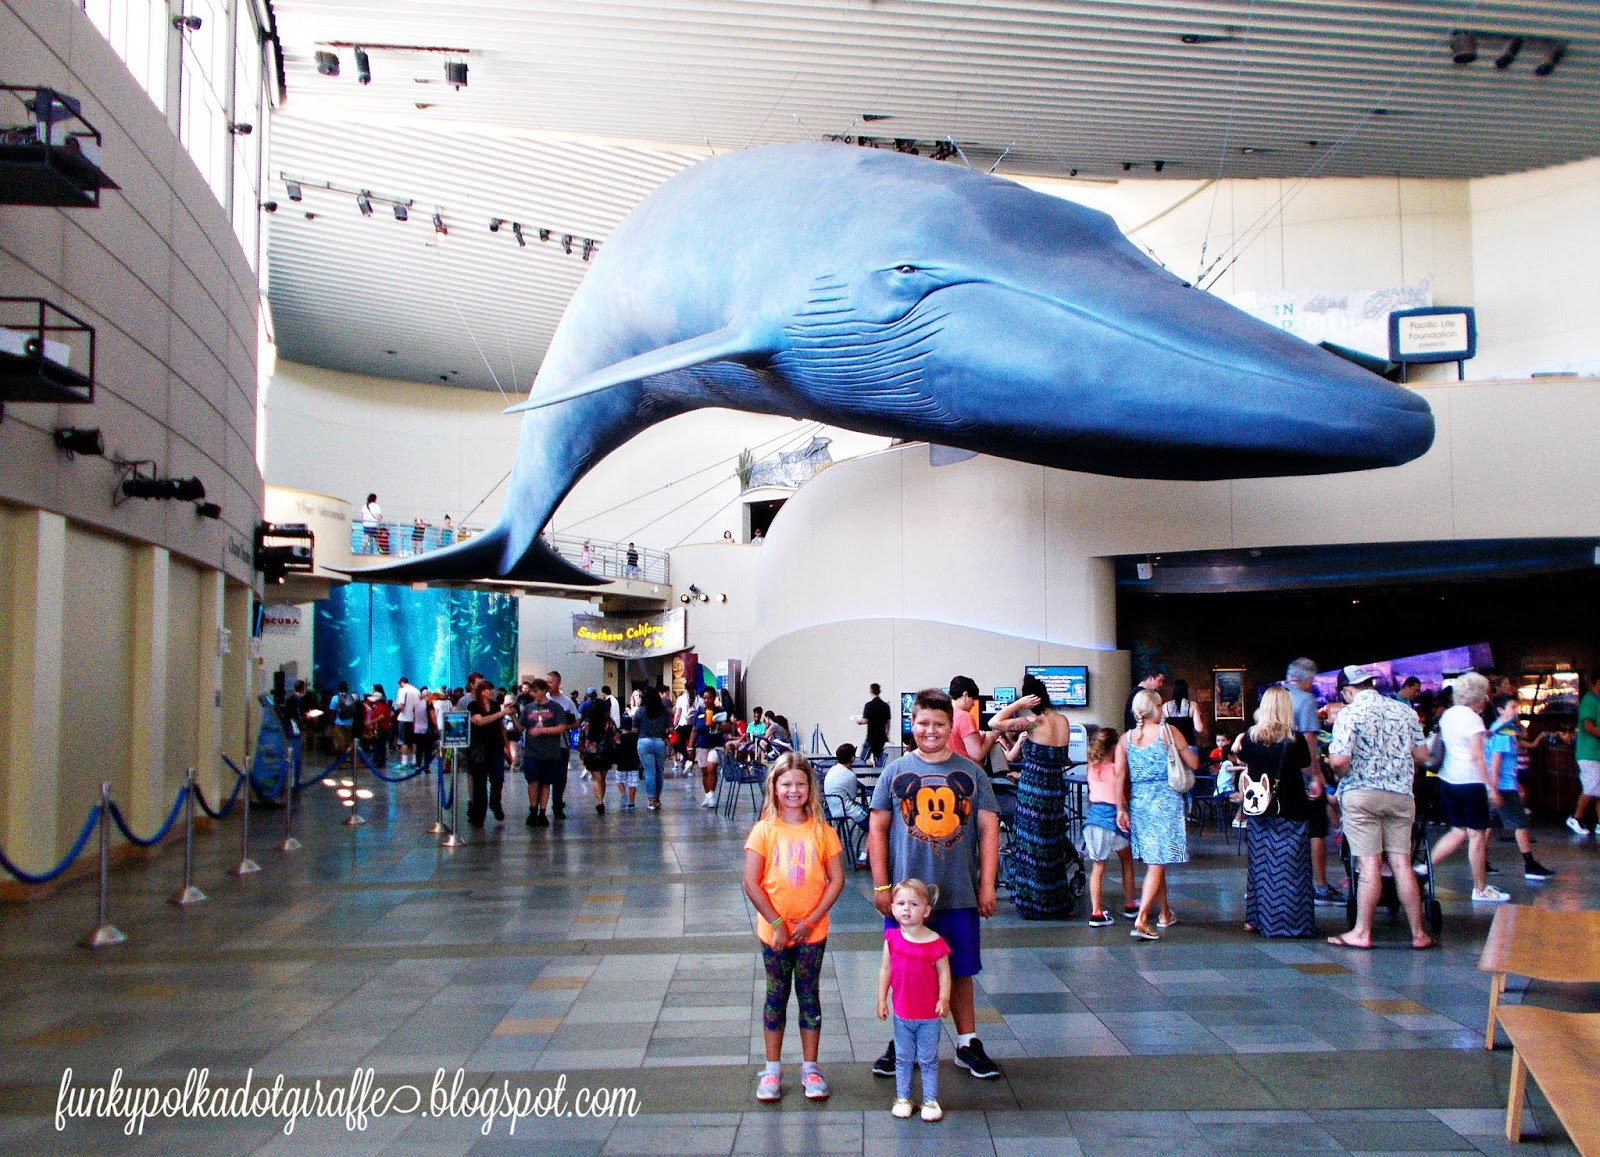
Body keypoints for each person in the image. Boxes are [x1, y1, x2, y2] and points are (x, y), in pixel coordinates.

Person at [869, 687, 1001, 1081]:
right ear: (913, 725)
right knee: (906, 969)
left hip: (958, 893)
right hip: (906, 901)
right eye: (923, 723)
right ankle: (902, 1041)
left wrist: (987, 885)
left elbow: (989, 827)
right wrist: (881, 887)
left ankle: (966, 1042)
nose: (931, 731)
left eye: (939, 724)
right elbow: (878, 826)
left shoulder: (972, 773)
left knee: (960, 970)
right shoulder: (895, 771)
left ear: (952, 725)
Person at [742, 753, 844, 1104]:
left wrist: (811, 919)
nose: (793, 790)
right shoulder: (763, 831)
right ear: (774, 787)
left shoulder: (822, 831)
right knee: (775, 995)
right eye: (786, 783)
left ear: (810, 789)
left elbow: (835, 880)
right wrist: (777, 923)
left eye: (800, 783)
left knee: (809, 995)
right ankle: (772, 1068)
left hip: (811, 932)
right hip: (774, 933)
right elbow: (752, 883)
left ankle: (810, 1066)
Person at [1325, 665, 1436, 950]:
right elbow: (1423, 755)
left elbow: (1339, 761)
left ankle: (1362, 932)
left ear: (1348, 691)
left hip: (1362, 796)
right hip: (1400, 796)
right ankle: (1418, 933)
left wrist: (1339, 771)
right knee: (1401, 863)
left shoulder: (1350, 713)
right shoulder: (1405, 711)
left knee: (1369, 864)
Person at [989, 674, 1076, 919]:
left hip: (1033, 794)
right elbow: (1059, 757)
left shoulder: (1033, 722)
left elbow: (995, 723)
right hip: (1055, 790)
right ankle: (1056, 901)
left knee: (1030, 847)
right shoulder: (1063, 720)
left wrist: (1016, 705)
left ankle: (1035, 903)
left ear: (1029, 697)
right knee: (1051, 847)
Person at [1234, 686, 1317, 938]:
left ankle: (1257, 918)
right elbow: (1306, 764)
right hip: (1292, 808)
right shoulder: (1296, 739)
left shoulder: (1250, 737)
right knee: (1293, 868)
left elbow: (1242, 759)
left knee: (1260, 865)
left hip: (1260, 809)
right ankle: (1293, 921)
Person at [1117, 689, 1199, 940]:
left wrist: (1121, 808)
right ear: (1156, 709)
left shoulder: (1126, 739)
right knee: (1157, 861)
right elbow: (1194, 764)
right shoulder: (1168, 733)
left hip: (1139, 802)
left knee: (1155, 858)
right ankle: (1142, 919)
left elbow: (1120, 777)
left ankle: (1164, 913)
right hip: (1166, 801)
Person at [1428, 672, 1509, 903]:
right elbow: (1477, 756)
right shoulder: (1474, 719)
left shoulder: (1448, 715)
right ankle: (1480, 888)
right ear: (1479, 697)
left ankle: (1424, 867)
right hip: (1470, 782)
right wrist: (1491, 787)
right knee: (1478, 836)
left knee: (1458, 830)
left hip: (1447, 779)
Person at [876, 878, 951, 1123]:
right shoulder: (892, 939)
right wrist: (881, 999)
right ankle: (903, 1098)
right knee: (903, 1058)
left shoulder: (935, 942)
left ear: (926, 911)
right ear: (893, 908)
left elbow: (944, 973)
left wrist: (944, 998)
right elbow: (885, 970)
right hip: (902, 1014)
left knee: (928, 1059)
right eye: (901, 903)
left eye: (914, 904)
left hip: (929, 1016)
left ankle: (930, 1100)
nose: (906, 909)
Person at [1283, 657, 1345, 905]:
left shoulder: (1274, 697)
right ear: (1308, 678)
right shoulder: (1305, 700)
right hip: (1301, 773)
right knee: (1316, 828)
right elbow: (1309, 738)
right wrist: (1315, 774)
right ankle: (1319, 885)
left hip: (1277, 773)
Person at [1486, 694, 1554, 881]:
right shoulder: (1502, 732)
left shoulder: (1500, 730)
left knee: (1487, 825)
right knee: (1520, 824)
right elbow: (1496, 759)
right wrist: (1495, 787)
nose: (1517, 711)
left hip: (1499, 784)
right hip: (1503, 786)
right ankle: (1529, 864)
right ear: (1501, 709)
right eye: (1513, 707)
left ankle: (1481, 861)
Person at [1079, 727, 1137, 926]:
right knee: (1127, 861)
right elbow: (1122, 795)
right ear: (1114, 747)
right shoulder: (1117, 770)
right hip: (1113, 819)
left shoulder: (1091, 768)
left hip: (1093, 821)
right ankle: (1130, 904)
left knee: (1098, 866)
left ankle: (1096, 912)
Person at [519, 678, 574, 826]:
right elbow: (521, 727)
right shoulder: (528, 708)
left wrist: (542, 730)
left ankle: (543, 811)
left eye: (535, 691)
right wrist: (512, 716)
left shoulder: (555, 708)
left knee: (545, 783)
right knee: (532, 782)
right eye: (531, 691)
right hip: (532, 752)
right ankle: (532, 810)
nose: (533, 694)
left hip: (550, 752)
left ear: (543, 691)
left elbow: (562, 727)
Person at [466, 682, 508, 826]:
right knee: (479, 782)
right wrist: (501, 713)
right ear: (483, 691)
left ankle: (495, 802)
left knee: (498, 777)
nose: (492, 692)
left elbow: (501, 727)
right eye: (490, 689)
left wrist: (507, 746)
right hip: (479, 748)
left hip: (496, 747)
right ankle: (479, 814)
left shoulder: (495, 706)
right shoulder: (473, 706)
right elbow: (480, 721)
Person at [822, 742, 869, 867]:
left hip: (832, 808)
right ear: (853, 758)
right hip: (845, 810)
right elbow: (853, 797)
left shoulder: (832, 769)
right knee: (875, 825)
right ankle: (864, 857)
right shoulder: (849, 775)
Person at [1570, 669, 1600, 836]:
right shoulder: (1589, 700)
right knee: (1591, 788)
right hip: (1588, 752)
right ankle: (1577, 818)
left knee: (1597, 787)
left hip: (1597, 753)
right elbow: (1588, 726)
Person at [633, 686, 671, 811]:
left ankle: (651, 801)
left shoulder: (640, 711)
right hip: (660, 742)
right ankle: (658, 799)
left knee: (649, 772)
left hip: (644, 742)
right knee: (659, 771)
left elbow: (635, 730)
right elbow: (670, 729)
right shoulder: (664, 711)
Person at [578, 694, 618, 815]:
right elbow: (615, 737)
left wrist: (582, 752)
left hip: (591, 755)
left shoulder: (586, 724)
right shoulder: (609, 723)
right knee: (603, 778)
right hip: (606, 754)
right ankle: (601, 799)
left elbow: (581, 739)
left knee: (596, 778)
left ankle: (599, 802)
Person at [946, 675, 995, 767]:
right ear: (965, 695)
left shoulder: (943, 714)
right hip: (967, 772)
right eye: (973, 700)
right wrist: (990, 738)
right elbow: (977, 754)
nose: (973, 705)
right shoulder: (964, 717)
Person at [693, 688, 726, 808]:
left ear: (714, 698)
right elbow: (695, 729)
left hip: (716, 745)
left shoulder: (720, 711)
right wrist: (690, 746)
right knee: (704, 771)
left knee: (711, 768)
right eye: (705, 698)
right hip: (702, 745)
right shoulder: (699, 713)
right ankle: (707, 794)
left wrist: (715, 725)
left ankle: (712, 795)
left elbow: (727, 727)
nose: (707, 700)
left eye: (709, 698)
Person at [1161, 678, 1207, 747]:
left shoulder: (1166, 706)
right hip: (1189, 744)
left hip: (1172, 746)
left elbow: (1161, 727)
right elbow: (1199, 728)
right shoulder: (1192, 705)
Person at [858, 683, 892, 767]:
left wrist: (859, 721)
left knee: (863, 757)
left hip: (871, 736)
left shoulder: (869, 705)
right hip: (881, 736)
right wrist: (887, 734)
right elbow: (888, 722)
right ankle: (877, 771)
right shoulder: (885, 706)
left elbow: (865, 720)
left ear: (871, 691)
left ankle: (867, 769)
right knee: (878, 757)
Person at [1124, 668, 1165, 732]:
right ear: (1151, 678)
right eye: (1159, 681)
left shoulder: (1136, 693)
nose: (1161, 684)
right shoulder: (1142, 695)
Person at [614, 713, 641, 810]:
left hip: (621, 763)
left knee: (619, 781)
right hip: (633, 763)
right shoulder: (636, 737)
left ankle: (623, 794)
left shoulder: (620, 738)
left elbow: (616, 748)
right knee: (632, 783)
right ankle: (631, 802)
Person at [394, 677, 420, 767]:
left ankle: (404, 762)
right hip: (414, 719)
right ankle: (414, 761)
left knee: (403, 741)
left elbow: (401, 706)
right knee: (413, 741)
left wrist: (397, 709)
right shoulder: (416, 691)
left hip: (404, 718)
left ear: (401, 683)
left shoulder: (402, 690)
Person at [411, 685, 435, 773]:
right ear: (427, 696)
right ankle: (426, 766)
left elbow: (413, 716)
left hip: (417, 729)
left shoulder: (417, 704)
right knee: (428, 749)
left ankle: (418, 766)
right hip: (426, 729)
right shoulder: (428, 704)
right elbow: (432, 717)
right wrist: (436, 728)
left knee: (419, 749)